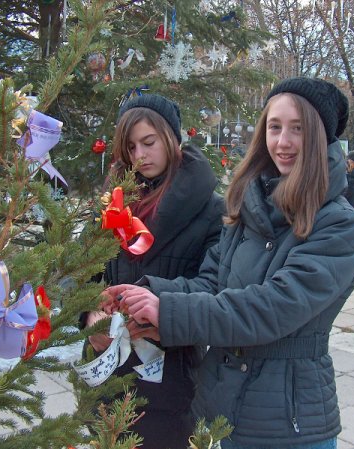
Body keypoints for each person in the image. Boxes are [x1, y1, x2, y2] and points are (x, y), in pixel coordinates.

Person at [102, 77, 354, 448]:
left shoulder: (337, 223)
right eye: (274, 127)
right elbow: (211, 283)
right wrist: (144, 296)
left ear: (321, 137)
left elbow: (272, 307)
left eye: (298, 129)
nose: (283, 142)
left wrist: (171, 313)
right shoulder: (248, 207)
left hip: (289, 423)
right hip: (228, 409)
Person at [82, 94, 224, 449]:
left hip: (171, 379)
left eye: (149, 142)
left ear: (172, 139)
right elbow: (82, 272)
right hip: (110, 375)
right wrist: (89, 313)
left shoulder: (211, 210)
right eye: (130, 147)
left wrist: (152, 298)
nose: (140, 156)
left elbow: (214, 285)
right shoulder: (115, 204)